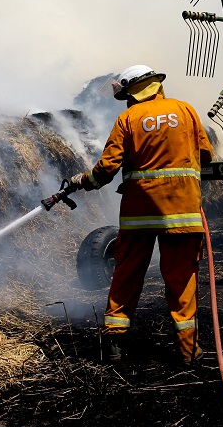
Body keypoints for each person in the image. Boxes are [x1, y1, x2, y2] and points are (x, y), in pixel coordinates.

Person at [70, 64, 212, 365]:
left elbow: (106, 170)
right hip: (182, 212)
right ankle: (188, 351)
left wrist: (82, 181)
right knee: (181, 281)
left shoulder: (127, 119)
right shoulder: (185, 111)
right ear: (155, 86)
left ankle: (113, 346)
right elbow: (205, 156)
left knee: (125, 276)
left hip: (139, 216)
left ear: (131, 93)